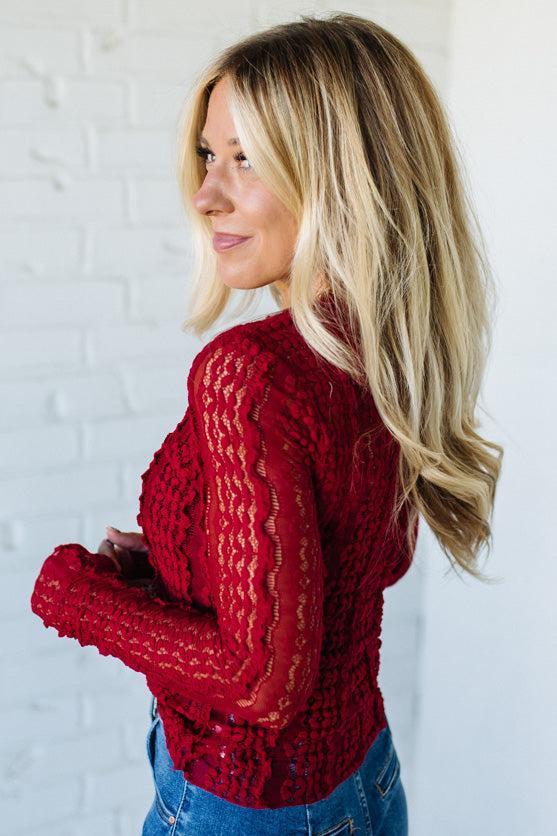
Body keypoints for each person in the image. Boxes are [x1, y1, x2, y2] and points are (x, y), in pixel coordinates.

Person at [30, 12, 504, 835]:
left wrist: (74, 597)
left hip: (246, 803)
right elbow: (351, 562)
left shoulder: (253, 373)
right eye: (209, 155)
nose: (205, 192)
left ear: (343, 174)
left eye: (245, 160)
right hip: (360, 777)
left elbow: (259, 684)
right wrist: (191, 565)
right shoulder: (383, 344)